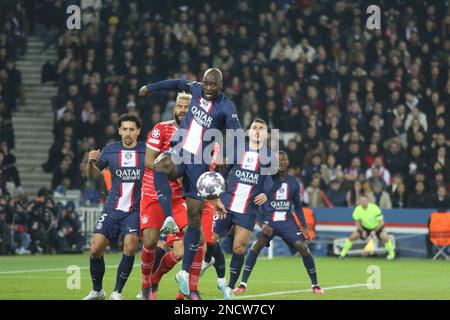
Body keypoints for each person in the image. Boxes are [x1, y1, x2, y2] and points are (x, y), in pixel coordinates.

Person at [139, 68, 242, 296]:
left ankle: (185, 273)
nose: (208, 88)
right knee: (159, 165)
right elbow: (176, 82)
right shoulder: (195, 89)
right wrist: (151, 87)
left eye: (213, 85)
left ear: (220, 86)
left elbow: (238, 136)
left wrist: (229, 159)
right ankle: (168, 217)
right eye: (206, 84)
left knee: (195, 221)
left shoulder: (226, 108)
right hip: (180, 153)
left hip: (200, 165)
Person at [139, 91, 214, 300]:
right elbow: (149, 161)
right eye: (179, 106)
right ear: (175, 109)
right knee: (150, 242)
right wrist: (173, 172)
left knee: (197, 239)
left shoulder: (198, 135)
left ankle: (190, 290)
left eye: (186, 107)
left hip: (179, 196)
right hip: (154, 192)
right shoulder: (161, 129)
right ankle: (147, 285)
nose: (182, 110)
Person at [202, 118, 281, 300]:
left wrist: (267, 194)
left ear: (267, 133)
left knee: (239, 248)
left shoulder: (270, 156)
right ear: (249, 131)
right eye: (255, 127)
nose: (258, 130)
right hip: (227, 203)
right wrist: (218, 197)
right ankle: (208, 259)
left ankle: (229, 288)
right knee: (210, 240)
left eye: (262, 128)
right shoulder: (238, 149)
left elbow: (277, 181)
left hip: (248, 209)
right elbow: (222, 172)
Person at [232, 151, 324, 295]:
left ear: (287, 162)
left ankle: (316, 285)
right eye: (277, 159)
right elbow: (254, 204)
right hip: (269, 221)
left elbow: (298, 207)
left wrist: (304, 226)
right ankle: (242, 283)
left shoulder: (294, 182)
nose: (280, 162)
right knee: (257, 246)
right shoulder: (264, 179)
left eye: (283, 159)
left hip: (287, 222)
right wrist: (262, 224)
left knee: (302, 246)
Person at [83, 113, 146, 300]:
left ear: (138, 131)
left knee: (130, 247)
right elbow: (91, 177)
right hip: (112, 208)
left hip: (134, 210)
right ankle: (97, 290)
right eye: (124, 129)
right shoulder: (110, 150)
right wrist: (90, 162)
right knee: (95, 249)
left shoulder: (146, 151)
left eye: (132, 129)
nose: (128, 133)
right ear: (119, 130)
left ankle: (117, 292)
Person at [339, 194, 395, 260]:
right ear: (359, 202)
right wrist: (362, 231)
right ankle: (342, 254)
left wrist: (374, 231)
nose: (363, 202)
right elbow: (357, 223)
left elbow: (381, 222)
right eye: (361, 201)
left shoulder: (375, 208)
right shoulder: (357, 209)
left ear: (368, 201)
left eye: (364, 201)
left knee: (385, 237)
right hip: (364, 228)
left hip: (376, 227)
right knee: (352, 236)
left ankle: (392, 255)